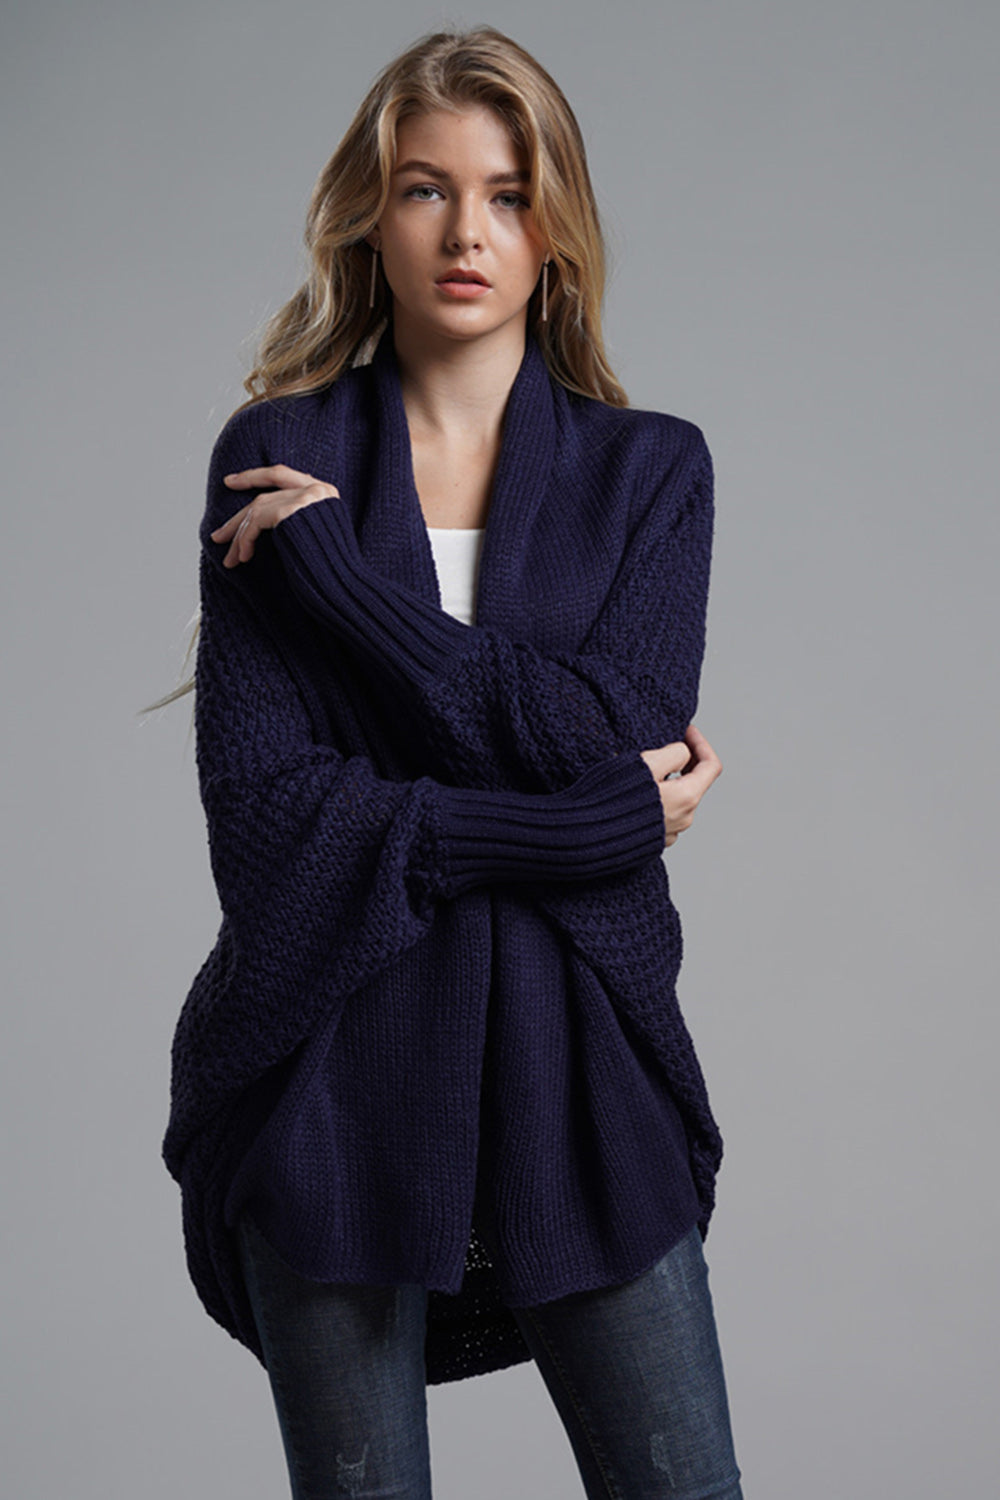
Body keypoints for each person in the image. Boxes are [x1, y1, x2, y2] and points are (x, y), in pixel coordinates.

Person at [157, 24, 743, 1500]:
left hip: (585, 1075)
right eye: (427, 189)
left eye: (508, 192)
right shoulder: (274, 457)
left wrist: (353, 597)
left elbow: (616, 736)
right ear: (373, 213)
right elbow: (271, 826)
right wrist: (577, 829)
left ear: (557, 227)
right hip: (330, 1084)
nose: (467, 232)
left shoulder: (653, 471)